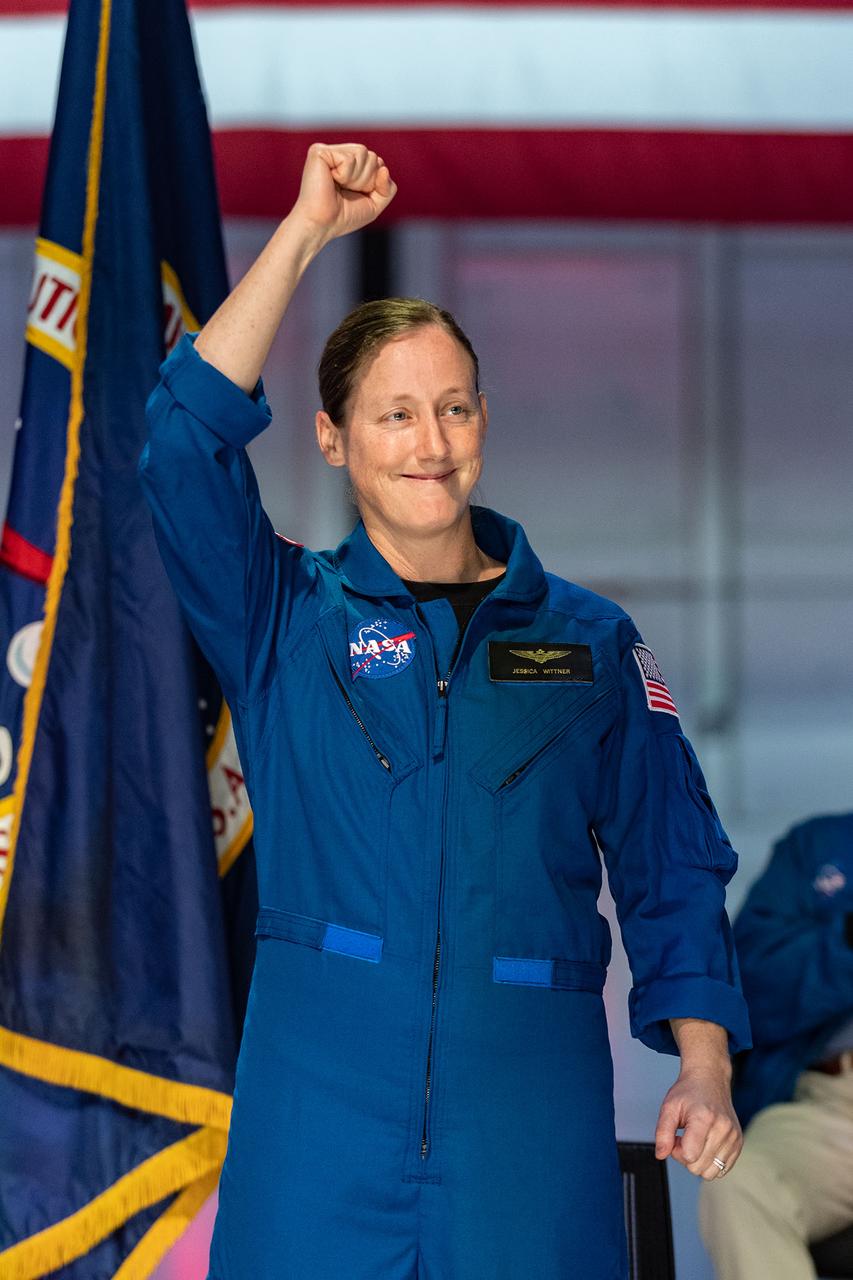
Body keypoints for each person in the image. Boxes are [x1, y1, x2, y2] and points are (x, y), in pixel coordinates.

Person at [139, 143, 750, 1280]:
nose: (430, 442)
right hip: (316, 1123)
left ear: (483, 421)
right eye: (394, 414)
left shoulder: (593, 641)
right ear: (331, 439)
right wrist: (307, 231)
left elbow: (672, 861)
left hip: (524, 1123)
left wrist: (704, 1062)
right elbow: (180, 443)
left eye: (453, 407)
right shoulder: (282, 617)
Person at [699, 812, 853, 1280]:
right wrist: (845, 939)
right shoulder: (817, 846)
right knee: (740, 1180)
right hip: (832, 1105)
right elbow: (749, 989)